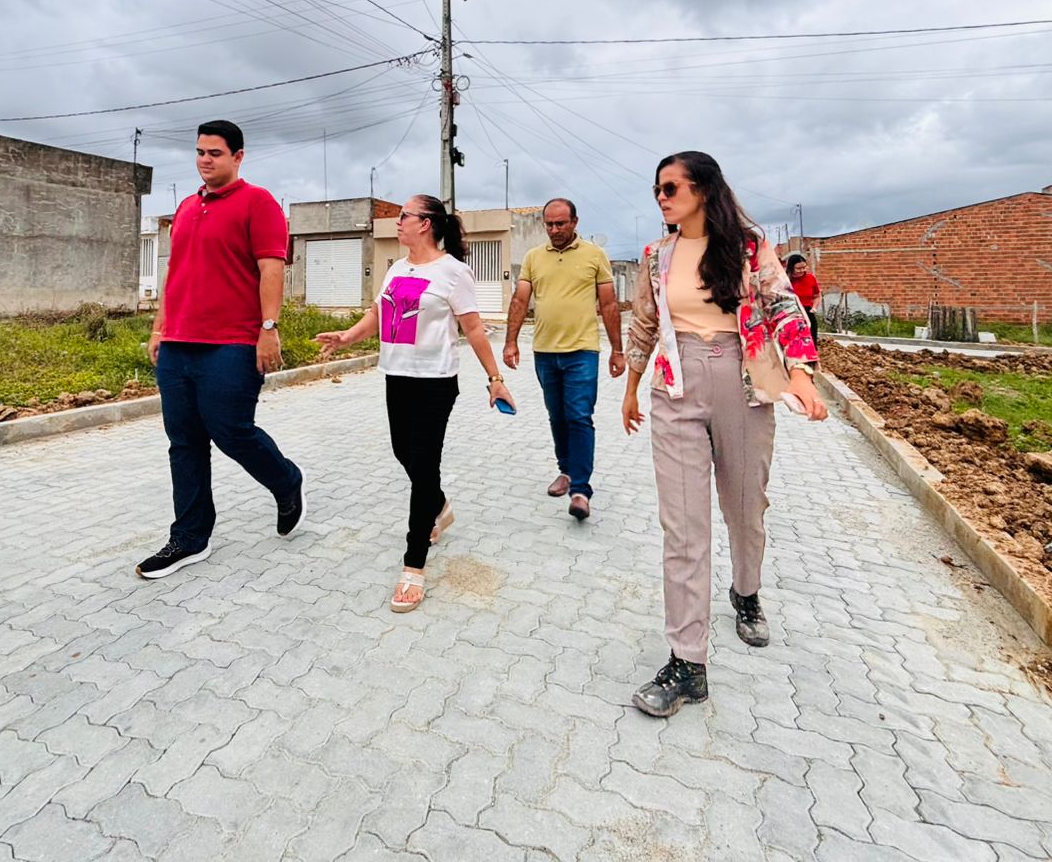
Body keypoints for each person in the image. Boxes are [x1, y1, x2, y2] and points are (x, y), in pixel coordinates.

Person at [622, 151, 827, 717]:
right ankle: (688, 663)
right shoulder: (656, 255)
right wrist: (631, 387)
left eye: (671, 188)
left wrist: (802, 374)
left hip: (744, 381)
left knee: (744, 507)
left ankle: (746, 591)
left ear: (704, 190)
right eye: (657, 189)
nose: (661, 198)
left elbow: (783, 307)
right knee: (683, 528)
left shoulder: (749, 246)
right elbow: (645, 322)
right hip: (675, 387)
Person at [315, 195, 516, 612]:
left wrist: (495, 379)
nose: (398, 221)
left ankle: (414, 563)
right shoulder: (397, 268)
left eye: (404, 216)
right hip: (397, 377)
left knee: (423, 466)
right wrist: (347, 337)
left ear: (425, 224)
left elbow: (474, 328)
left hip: (434, 383)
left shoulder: (453, 271)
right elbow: (378, 313)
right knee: (402, 453)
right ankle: (438, 505)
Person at [136, 120, 306, 579]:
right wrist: (159, 327)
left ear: (238, 156)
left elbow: (271, 269)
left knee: (231, 430)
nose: (205, 160)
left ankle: (287, 480)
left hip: (232, 342)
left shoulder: (258, 202)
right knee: (184, 443)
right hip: (178, 344)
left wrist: (268, 328)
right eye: (200, 152)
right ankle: (190, 537)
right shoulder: (187, 207)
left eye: (215, 153)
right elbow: (175, 273)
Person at [503, 198, 624, 520]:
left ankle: (581, 490)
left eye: (561, 223)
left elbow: (609, 305)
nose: (555, 230)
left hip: (582, 351)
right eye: (550, 224)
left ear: (575, 222)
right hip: (544, 352)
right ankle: (566, 470)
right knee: (557, 417)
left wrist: (618, 350)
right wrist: (510, 342)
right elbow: (520, 299)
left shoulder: (594, 255)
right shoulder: (533, 257)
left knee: (579, 416)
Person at [785, 251, 822, 349]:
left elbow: (817, 295)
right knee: (793, 344)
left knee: (810, 342)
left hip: (807, 312)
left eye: (804, 267)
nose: (802, 270)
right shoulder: (785, 280)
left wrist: (814, 308)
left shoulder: (810, 278)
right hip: (790, 314)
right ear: (791, 268)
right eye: (798, 268)